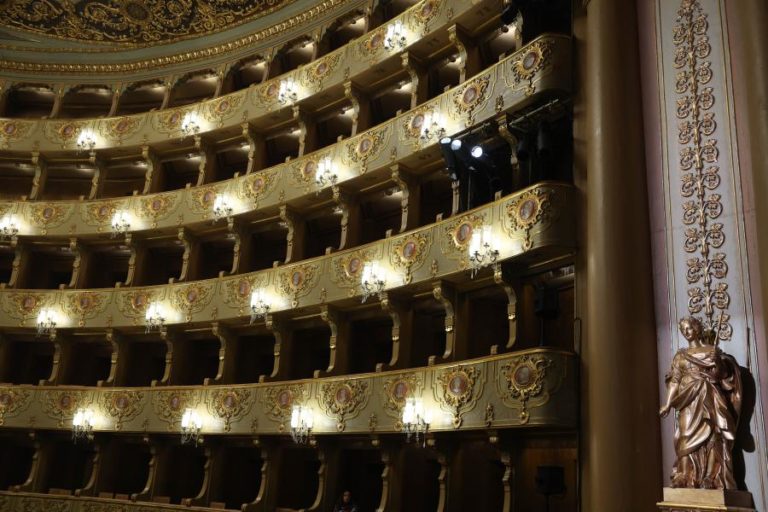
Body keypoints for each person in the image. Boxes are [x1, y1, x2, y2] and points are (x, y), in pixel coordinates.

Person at [659, 316, 742, 489]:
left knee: (712, 434)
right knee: (684, 435)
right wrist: (668, 404)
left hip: (709, 395)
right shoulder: (680, 356)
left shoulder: (711, 350)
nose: (686, 332)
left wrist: (717, 361)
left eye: (689, 328)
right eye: (683, 330)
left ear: (697, 328)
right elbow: (675, 381)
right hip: (687, 399)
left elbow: (720, 375)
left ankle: (710, 477)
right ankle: (684, 475)